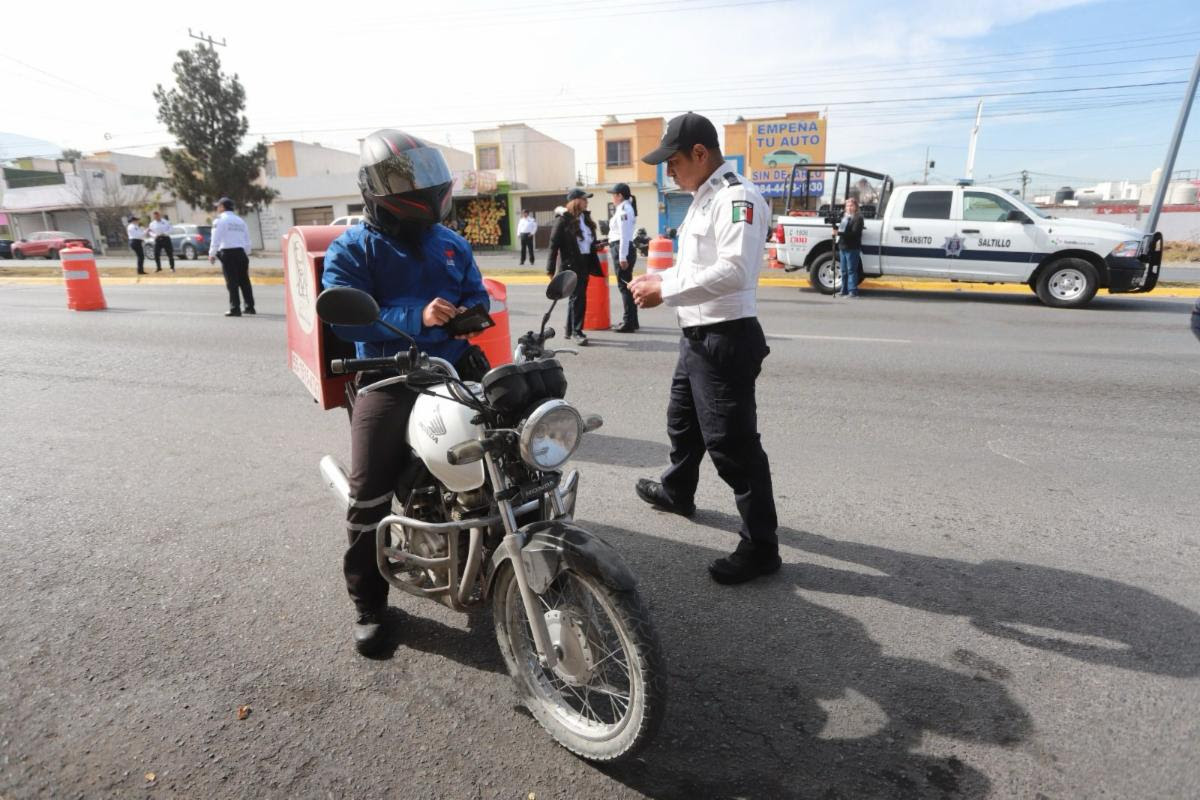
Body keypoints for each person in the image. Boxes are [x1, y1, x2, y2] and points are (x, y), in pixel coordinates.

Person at [321, 129, 491, 656]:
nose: (419, 186)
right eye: (404, 177)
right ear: (377, 188)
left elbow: (476, 294)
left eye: (421, 173)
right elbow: (347, 324)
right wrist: (414, 316)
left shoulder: (450, 243)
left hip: (452, 366)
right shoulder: (352, 248)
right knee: (368, 492)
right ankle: (369, 603)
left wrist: (469, 317)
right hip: (386, 374)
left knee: (517, 445)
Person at [629, 112, 780, 585]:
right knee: (682, 423)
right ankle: (678, 491)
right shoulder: (701, 198)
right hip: (695, 337)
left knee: (733, 447)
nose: (667, 171)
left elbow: (734, 271)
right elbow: (698, 266)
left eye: (672, 161)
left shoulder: (737, 198)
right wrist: (660, 279)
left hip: (725, 338)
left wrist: (664, 290)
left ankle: (761, 547)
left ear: (700, 153)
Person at [546, 188, 598, 346]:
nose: (587, 201)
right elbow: (553, 245)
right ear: (576, 201)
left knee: (576, 298)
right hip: (571, 264)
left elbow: (587, 241)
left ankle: (570, 329)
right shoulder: (563, 220)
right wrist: (550, 269)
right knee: (578, 298)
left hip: (585, 262)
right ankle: (577, 331)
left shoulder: (584, 218)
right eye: (584, 199)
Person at [208, 197, 255, 317]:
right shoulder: (240, 220)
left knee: (232, 282)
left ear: (222, 207)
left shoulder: (219, 221)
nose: (217, 208)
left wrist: (212, 254)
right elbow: (247, 239)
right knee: (244, 281)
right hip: (241, 253)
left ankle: (235, 309)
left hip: (228, 253)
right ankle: (250, 307)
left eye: (218, 206)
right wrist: (246, 252)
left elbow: (215, 238)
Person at [608, 183, 639, 333]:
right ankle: (633, 320)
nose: (612, 198)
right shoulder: (624, 208)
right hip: (621, 247)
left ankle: (629, 322)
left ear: (620, 195)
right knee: (627, 286)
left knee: (624, 287)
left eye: (613, 195)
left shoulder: (624, 210)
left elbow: (625, 235)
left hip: (621, 248)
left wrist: (622, 256)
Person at [835, 196, 865, 298]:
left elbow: (855, 233)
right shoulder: (844, 217)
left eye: (851, 205)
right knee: (843, 270)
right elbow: (840, 230)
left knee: (851, 270)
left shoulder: (858, 218)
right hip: (843, 246)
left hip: (852, 247)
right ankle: (844, 290)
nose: (849, 207)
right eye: (847, 205)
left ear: (856, 207)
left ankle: (853, 291)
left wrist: (838, 233)